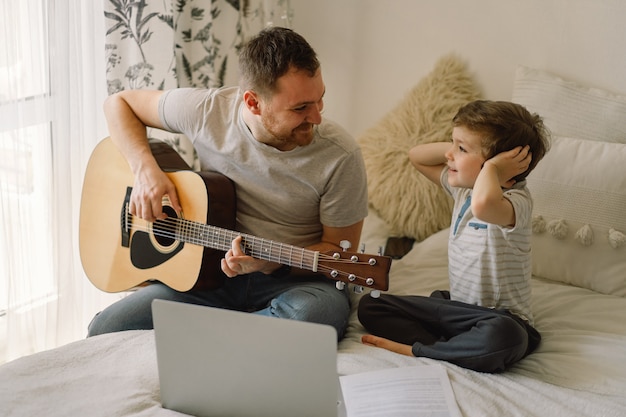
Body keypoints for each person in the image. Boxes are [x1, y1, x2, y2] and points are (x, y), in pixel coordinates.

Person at [87, 27, 368, 339]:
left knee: (315, 316)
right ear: (252, 103)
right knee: (106, 328)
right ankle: (245, 335)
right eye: (300, 108)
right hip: (209, 274)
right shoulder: (207, 111)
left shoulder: (341, 155)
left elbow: (339, 253)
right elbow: (118, 104)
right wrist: (144, 172)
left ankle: (207, 335)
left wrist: (270, 263)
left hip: (295, 282)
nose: (316, 117)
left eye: (320, 100)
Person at [358, 100, 550, 373]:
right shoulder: (464, 190)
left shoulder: (515, 201)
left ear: (503, 169)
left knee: (505, 336)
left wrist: (492, 169)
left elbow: (484, 205)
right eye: (453, 144)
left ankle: (422, 350)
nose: (449, 155)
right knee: (371, 306)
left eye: (461, 149)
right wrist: (459, 146)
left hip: (499, 319)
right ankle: (454, 348)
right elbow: (416, 155)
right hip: (456, 309)